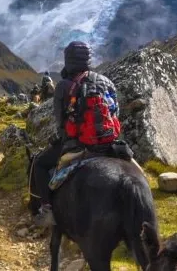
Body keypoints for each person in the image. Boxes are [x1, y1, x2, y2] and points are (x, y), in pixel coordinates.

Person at [31, 41, 122, 227]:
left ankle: (47, 210)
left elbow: (60, 121)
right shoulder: (106, 82)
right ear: (88, 59)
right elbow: (116, 113)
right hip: (108, 143)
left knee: (39, 164)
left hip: (78, 144)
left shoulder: (64, 86)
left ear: (68, 60)